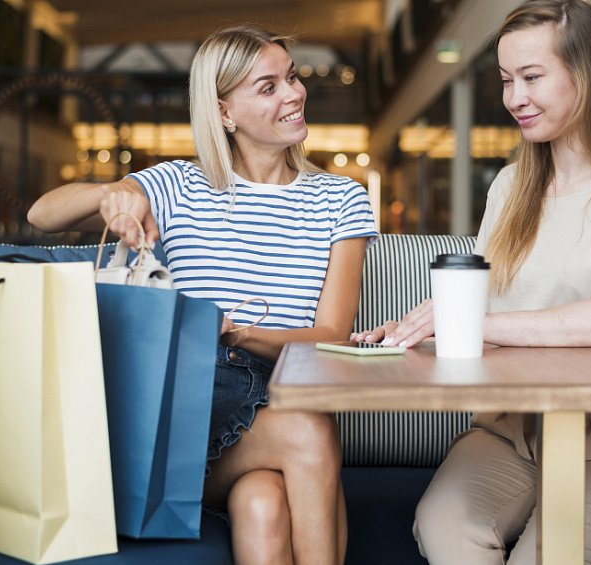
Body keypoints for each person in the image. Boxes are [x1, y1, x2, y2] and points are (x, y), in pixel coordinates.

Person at [28, 26, 378, 565]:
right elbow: (42, 213)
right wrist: (115, 193)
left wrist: (237, 330)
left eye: (291, 77)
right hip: (192, 403)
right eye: (268, 87)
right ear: (224, 112)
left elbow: (332, 337)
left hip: (282, 395)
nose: (293, 94)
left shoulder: (341, 198)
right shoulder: (178, 186)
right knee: (309, 435)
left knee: (262, 504)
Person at [351, 1, 591, 563]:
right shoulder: (509, 186)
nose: (513, 99)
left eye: (531, 77)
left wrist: (474, 324)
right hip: (507, 435)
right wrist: (416, 326)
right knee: (445, 532)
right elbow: (476, 298)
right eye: (506, 81)